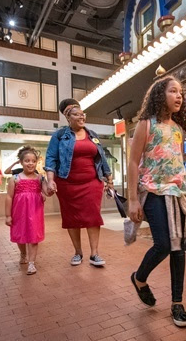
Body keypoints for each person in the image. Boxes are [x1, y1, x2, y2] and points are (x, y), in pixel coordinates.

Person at [127, 76, 186, 328]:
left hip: (176, 194)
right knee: (164, 244)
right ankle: (139, 278)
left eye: (181, 93)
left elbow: (178, 162)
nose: (179, 96)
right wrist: (133, 199)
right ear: (160, 94)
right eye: (173, 91)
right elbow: (133, 162)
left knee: (179, 247)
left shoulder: (178, 130)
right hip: (153, 193)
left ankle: (177, 303)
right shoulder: (146, 125)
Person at [44, 98, 114, 267]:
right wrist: (50, 180)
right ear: (68, 118)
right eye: (77, 115)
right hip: (67, 184)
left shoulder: (92, 135)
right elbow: (51, 158)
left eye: (83, 114)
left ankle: (94, 254)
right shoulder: (60, 136)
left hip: (92, 183)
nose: (82, 117)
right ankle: (78, 252)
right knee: (71, 218)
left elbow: (102, 157)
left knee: (93, 217)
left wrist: (109, 179)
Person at [5, 146, 48, 275]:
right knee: (21, 235)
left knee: (34, 236)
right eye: (27, 161)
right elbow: (9, 197)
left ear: (36, 162)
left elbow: (47, 192)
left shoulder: (40, 178)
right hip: (19, 212)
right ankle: (23, 253)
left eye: (33, 161)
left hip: (35, 211)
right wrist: (8, 215)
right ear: (21, 162)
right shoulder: (15, 178)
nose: (30, 163)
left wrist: (50, 188)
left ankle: (31, 263)